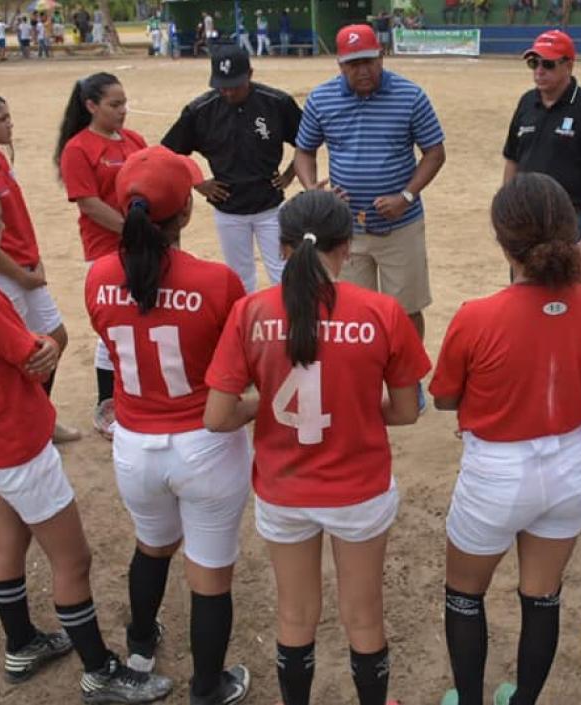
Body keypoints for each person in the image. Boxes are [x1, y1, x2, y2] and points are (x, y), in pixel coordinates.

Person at [0, 172, 173, 702]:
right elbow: (30, 355)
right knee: (73, 561)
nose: (4, 228)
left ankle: (21, 643)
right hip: (16, 441)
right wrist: (43, 341)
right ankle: (101, 671)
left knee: (10, 541)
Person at [204, 188, 431, 705]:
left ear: (282, 248)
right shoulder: (381, 311)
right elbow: (405, 410)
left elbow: (218, 416)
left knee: (294, 615)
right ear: (347, 247)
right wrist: (348, 407)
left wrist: (264, 407)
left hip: (284, 490)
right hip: (358, 488)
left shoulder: (250, 311)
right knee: (364, 615)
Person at [432, 173, 581, 705]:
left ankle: (469, 701)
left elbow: (445, 397)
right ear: (568, 227)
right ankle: (524, 700)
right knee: (543, 595)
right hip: (572, 465)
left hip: (497, 470)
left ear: (501, 238)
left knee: (465, 594)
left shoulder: (477, 316)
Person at [86, 146, 252, 704]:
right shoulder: (216, 281)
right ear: (185, 212)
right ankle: (207, 686)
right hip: (206, 442)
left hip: (135, 444)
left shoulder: (99, 278)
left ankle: (138, 646)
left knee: (152, 545)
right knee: (209, 573)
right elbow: (243, 362)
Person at [294, 24, 446, 348]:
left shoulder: (410, 96)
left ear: (381, 56)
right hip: (345, 228)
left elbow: (434, 152)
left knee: (406, 309)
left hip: (401, 225)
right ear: (340, 65)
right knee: (352, 310)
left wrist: (406, 196)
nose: (362, 70)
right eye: (353, 64)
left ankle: (407, 375)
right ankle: (365, 372)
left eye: (368, 61)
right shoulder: (321, 99)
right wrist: (312, 191)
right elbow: (304, 151)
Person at [0, 92, 81, 443]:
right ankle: (27, 423)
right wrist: (22, 274)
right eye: (2, 119)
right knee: (24, 352)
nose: (10, 124)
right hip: (3, 271)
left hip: (25, 266)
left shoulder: (0, 161)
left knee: (55, 338)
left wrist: (33, 260)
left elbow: (15, 219)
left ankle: (41, 417)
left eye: (9, 117)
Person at [162, 46, 302, 293]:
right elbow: (168, 153)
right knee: (239, 279)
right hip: (228, 210)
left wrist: (290, 174)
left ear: (250, 74)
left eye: (235, 85)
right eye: (222, 85)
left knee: (285, 275)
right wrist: (197, 182)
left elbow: (307, 141)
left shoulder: (277, 103)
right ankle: (246, 327)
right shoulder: (200, 110)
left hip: (270, 206)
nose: (228, 91)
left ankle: (287, 327)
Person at [55, 72, 148, 438]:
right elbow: (90, 204)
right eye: (114, 105)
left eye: (124, 103)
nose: (123, 111)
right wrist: (133, 232)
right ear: (91, 106)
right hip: (107, 249)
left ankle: (140, 392)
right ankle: (106, 404)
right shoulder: (78, 149)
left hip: (141, 244)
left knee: (145, 318)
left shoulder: (133, 140)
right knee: (114, 327)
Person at [503, 30, 581, 267]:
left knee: (564, 292)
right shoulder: (526, 102)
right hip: (526, 217)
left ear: (569, 65)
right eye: (533, 63)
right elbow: (512, 159)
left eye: (548, 64)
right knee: (523, 289)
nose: (539, 71)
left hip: (569, 219)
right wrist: (507, 209)